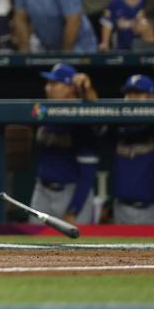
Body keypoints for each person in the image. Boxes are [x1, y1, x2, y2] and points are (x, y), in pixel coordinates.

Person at [30, 64, 99, 225]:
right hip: (42, 191)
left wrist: (73, 210)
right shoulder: (43, 112)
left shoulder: (81, 121)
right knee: (33, 247)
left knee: (77, 249)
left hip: (71, 192)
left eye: (54, 84)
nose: (48, 88)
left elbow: (87, 173)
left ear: (70, 88)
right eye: (48, 83)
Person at [111, 75, 154, 224]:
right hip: (119, 207)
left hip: (151, 209)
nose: (131, 98)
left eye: (137, 93)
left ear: (151, 97)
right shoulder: (116, 127)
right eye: (128, 93)